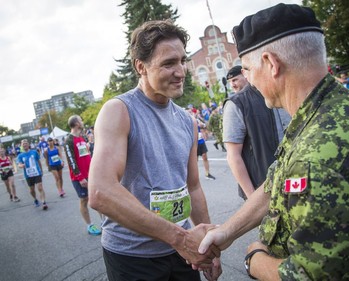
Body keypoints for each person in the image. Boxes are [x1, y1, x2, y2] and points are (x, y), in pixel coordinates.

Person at [197, 4, 349, 280]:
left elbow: (312, 276)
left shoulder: (315, 157)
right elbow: (275, 183)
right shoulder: (335, 107)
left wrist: (254, 260)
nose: (248, 80)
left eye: (247, 69)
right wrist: (228, 230)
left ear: (271, 64)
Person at [88, 19, 221, 281]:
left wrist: (208, 247)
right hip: (134, 257)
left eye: (182, 60)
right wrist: (180, 239)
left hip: (182, 253)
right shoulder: (119, 111)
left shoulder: (187, 120)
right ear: (141, 67)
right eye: (169, 63)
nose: (181, 71)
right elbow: (100, 192)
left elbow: (192, 187)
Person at [223, 67, 290, 200]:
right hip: (262, 190)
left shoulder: (283, 92)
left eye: (235, 80)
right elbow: (233, 156)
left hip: (293, 183)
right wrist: (253, 199)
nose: (233, 84)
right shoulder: (236, 103)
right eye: (230, 81)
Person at [64, 115, 102, 236]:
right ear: (76, 124)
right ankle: (89, 225)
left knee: (97, 197)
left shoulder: (82, 137)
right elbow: (71, 160)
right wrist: (80, 177)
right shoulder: (69, 140)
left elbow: (86, 155)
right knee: (84, 200)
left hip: (90, 174)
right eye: (80, 120)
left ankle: (104, 222)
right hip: (79, 178)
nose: (82, 121)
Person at [17, 139, 48, 210]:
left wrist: (41, 170)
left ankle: (44, 202)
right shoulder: (20, 155)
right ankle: (35, 199)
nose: (25, 144)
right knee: (31, 190)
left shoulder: (34, 152)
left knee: (40, 187)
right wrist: (21, 166)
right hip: (28, 175)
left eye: (26, 143)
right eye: (23, 144)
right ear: (21, 145)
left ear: (28, 144)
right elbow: (19, 164)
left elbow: (38, 161)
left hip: (37, 173)